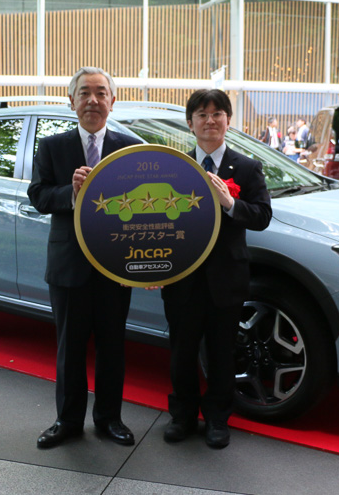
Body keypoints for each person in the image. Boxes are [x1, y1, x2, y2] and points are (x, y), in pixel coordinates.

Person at [27, 67, 141, 449]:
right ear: (71, 100)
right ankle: (68, 421)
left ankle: (110, 419)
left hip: (115, 266)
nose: (93, 100)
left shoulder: (130, 150)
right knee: (69, 349)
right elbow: (38, 195)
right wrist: (72, 193)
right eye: (85, 93)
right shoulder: (52, 147)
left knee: (112, 347)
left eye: (101, 93)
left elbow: (144, 207)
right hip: (69, 265)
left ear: (113, 101)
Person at [161, 89, 272, 449]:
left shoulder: (247, 167)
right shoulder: (174, 167)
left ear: (228, 120)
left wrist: (230, 203)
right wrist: (153, 267)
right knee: (181, 351)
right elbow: (158, 221)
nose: (210, 121)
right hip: (181, 278)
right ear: (190, 123)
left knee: (222, 352)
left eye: (217, 114)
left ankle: (218, 419)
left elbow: (262, 217)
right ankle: (182, 416)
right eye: (202, 115)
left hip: (226, 278)